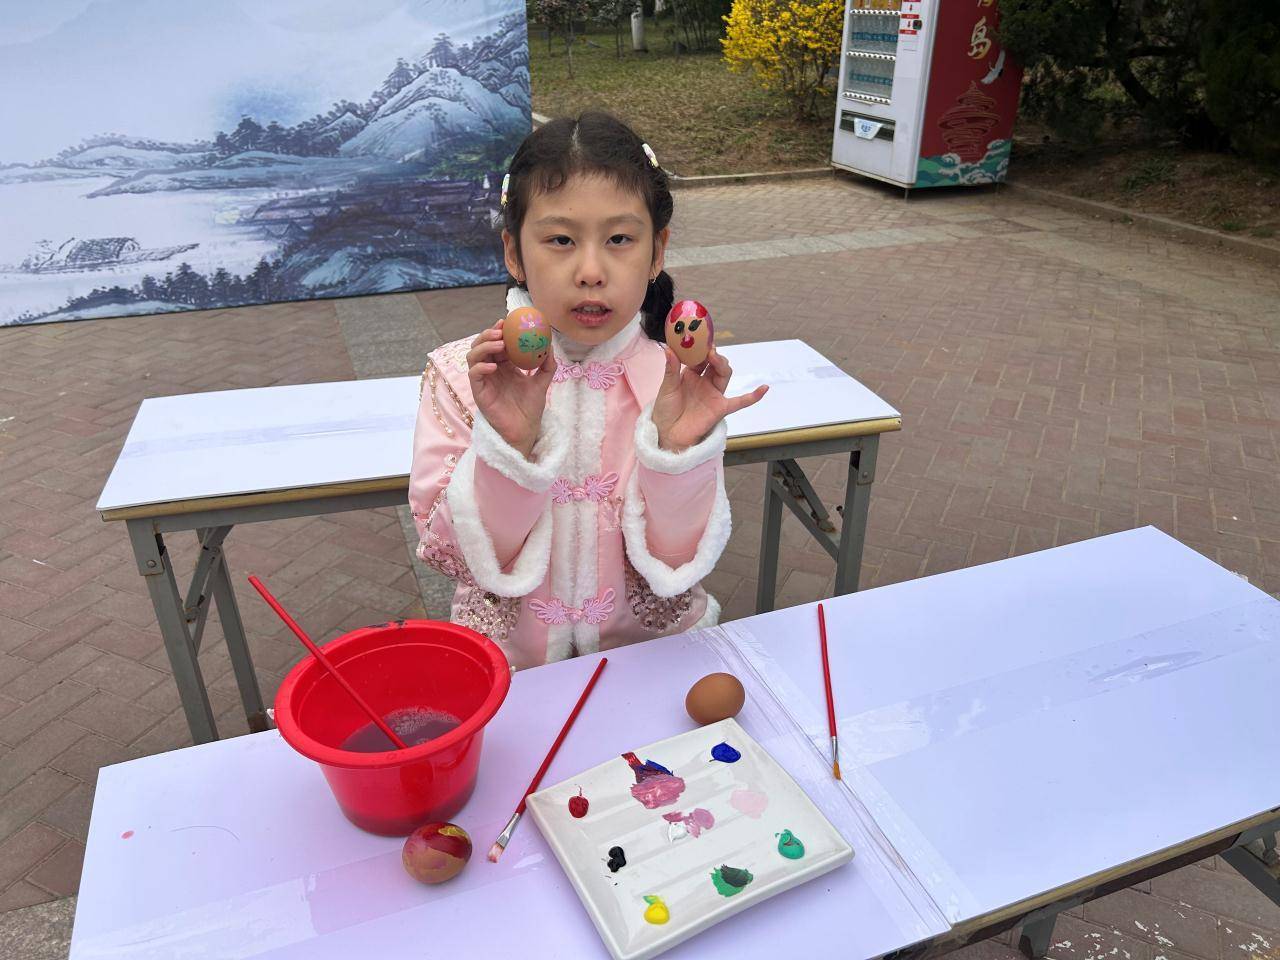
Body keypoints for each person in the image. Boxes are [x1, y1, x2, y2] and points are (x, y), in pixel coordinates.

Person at [408, 111, 768, 670]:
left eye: (620, 238)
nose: (592, 271)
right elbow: (451, 554)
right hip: (513, 671)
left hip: (651, 662)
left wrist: (677, 457)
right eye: (560, 239)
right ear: (513, 252)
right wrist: (510, 449)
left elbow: (682, 556)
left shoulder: (674, 383)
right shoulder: (463, 379)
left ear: (657, 251)